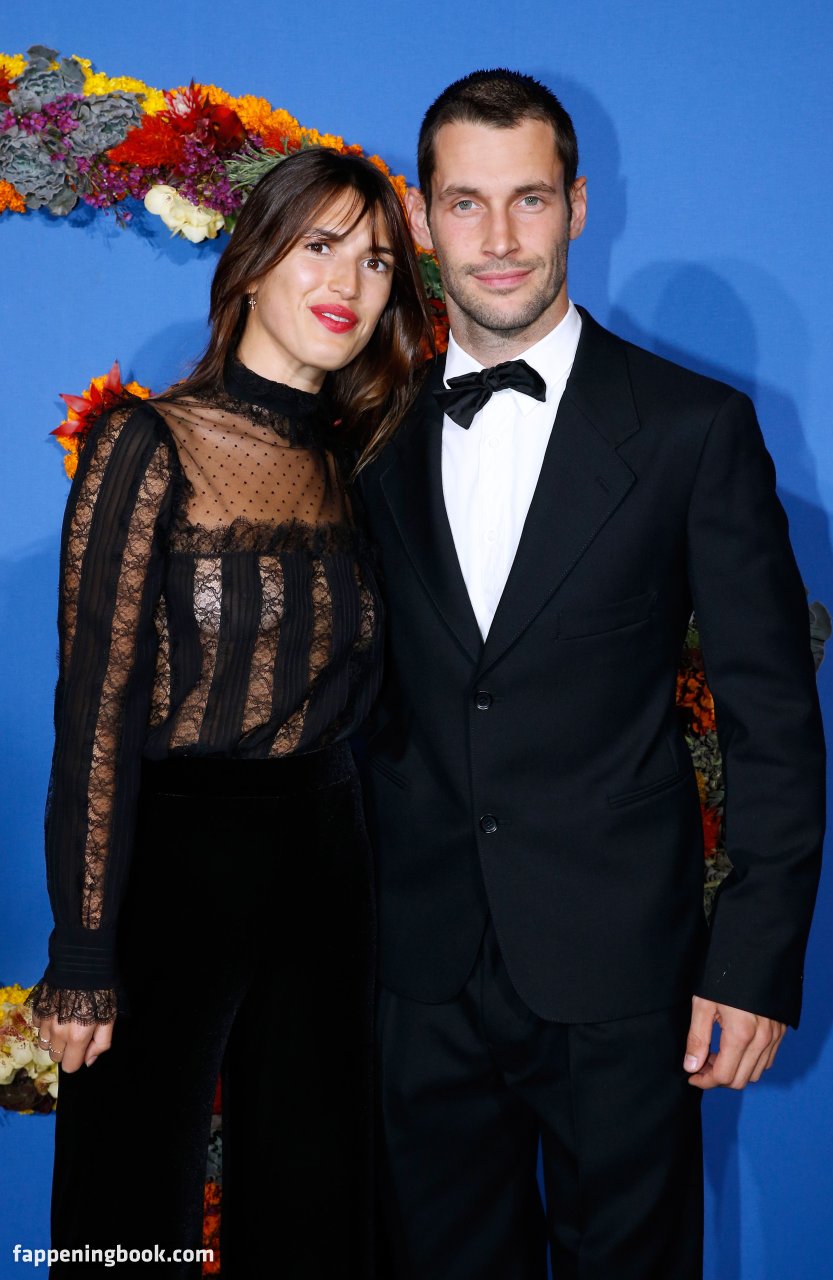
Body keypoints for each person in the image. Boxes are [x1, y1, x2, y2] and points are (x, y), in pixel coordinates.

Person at [357, 70, 825, 1279]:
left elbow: (773, 717)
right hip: (417, 970)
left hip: (623, 971)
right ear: (421, 218)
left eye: (528, 199)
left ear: (575, 205)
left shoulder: (690, 427)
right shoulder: (365, 433)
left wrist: (753, 963)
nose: (498, 239)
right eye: (465, 204)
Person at [27, 147, 434, 1277]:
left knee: (316, 1208)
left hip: (329, 859)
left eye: (377, 261)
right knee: (123, 1220)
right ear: (252, 262)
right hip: (174, 864)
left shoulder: (360, 462)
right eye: (319, 245)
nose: (347, 281)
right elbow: (94, 709)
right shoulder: (146, 443)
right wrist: (83, 947)